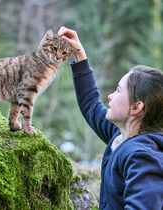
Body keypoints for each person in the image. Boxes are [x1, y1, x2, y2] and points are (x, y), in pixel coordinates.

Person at [58, 26, 163, 209]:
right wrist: (79, 55)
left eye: (119, 91)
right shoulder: (121, 136)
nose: (110, 96)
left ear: (136, 107)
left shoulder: (142, 157)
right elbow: (90, 104)